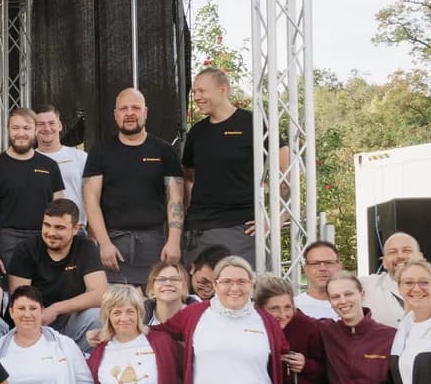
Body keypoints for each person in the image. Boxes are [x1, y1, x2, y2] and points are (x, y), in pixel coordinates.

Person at [146, 255, 289, 384]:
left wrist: (304, 363)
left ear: (252, 285)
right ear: (215, 284)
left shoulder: (266, 320)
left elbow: (286, 356)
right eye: (227, 281)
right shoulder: (195, 314)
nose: (235, 288)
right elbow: (157, 333)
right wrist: (108, 334)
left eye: (242, 282)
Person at [82, 87, 184, 287]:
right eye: (123, 108)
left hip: (155, 243)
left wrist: (173, 242)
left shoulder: (165, 151)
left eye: (135, 108)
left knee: (155, 303)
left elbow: (176, 200)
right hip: (112, 244)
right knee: (115, 308)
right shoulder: (100, 151)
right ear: (115, 114)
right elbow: (90, 199)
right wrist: (104, 244)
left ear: (145, 112)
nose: (129, 113)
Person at [181, 67, 283, 263]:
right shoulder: (197, 132)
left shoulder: (253, 123)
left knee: (236, 290)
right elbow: (189, 177)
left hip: (240, 231)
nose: (196, 96)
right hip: (197, 233)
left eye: (202, 91)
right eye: (194, 92)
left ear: (224, 90)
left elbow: (288, 172)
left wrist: (275, 219)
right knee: (199, 292)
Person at [0, 108, 72, 269]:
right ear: (8, 129)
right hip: (9, 242)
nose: (21, 133)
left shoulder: (49, 166)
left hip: (45, 239)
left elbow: (60, 210)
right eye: (15, 128)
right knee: (16, 292)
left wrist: (62, 245)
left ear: (36, 130)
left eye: (26, 128)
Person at [4, 198, 107, 341]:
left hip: (69, 318)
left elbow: (100, 294)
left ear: (76, 229)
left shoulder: (86, 248)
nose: (51, 232)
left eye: (59, 228)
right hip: (35, 320)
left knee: (97, 316)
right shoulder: (26, 249)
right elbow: (20, 300)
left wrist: (56, 309)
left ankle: (84, 360)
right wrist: (41, 314)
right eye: (47, 225)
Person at [32, 104, 87, 222]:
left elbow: (92, 197)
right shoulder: (28, 160)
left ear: (60, 125)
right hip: (38, 230)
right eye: (41, 124)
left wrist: (92, 233)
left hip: (77, 229)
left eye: (51, 123)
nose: (47, 128)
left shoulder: (81, 158)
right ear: (34, 129)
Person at [293, 240, 342, 320]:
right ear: (306, 269)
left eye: (328, 263)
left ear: (339, 267)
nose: (322, 268)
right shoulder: (293, 308)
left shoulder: (352, 305)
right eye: (315, 263)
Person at [145, 260, 193, 327]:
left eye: (175, 279)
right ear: (152, 287)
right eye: (161, 280)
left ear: (184, 285)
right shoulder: (137, 321)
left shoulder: (200, 318)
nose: (168, 283)